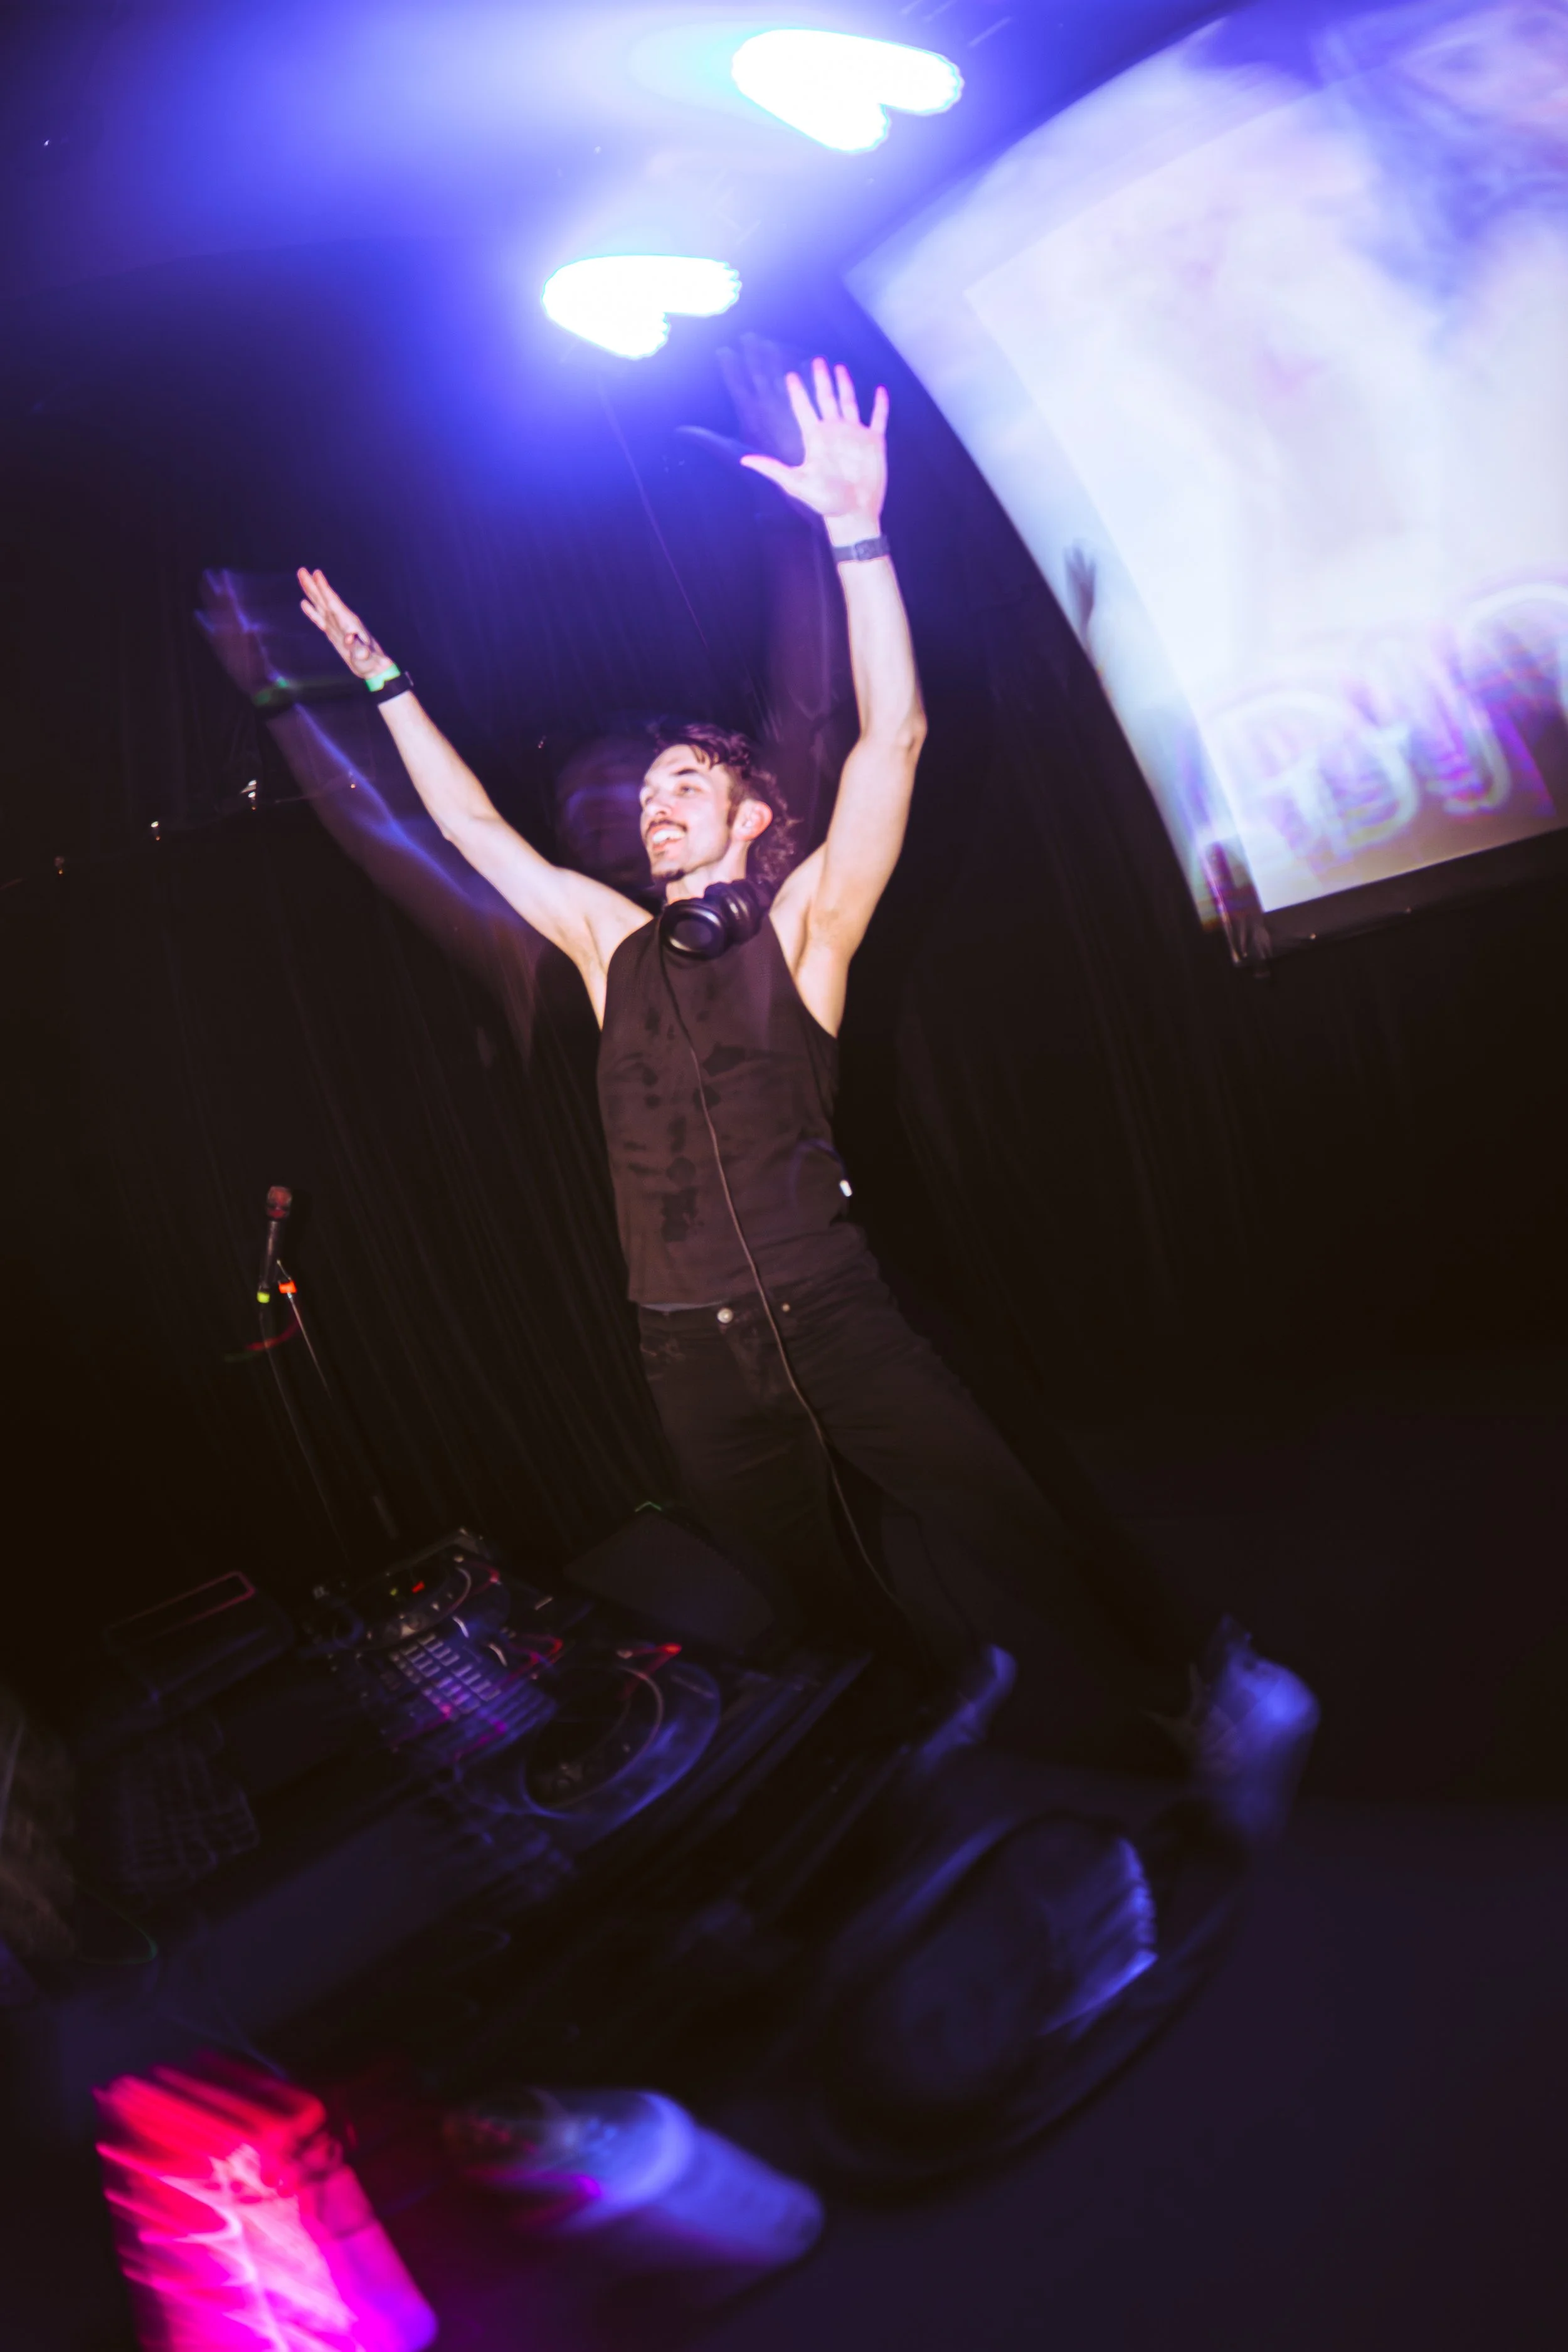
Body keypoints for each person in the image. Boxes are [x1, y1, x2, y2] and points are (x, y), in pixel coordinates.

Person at [298, 356, 1316, 1843]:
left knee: (1006, 1524)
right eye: (645, 795)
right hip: (684, 1356)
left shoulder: (806, 930)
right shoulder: (604, 946)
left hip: (833, 1312)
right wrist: (382, 680)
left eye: (687, 784)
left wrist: (857, 534)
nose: (654, 803)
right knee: (811, 1587)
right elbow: (463, 825)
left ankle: (1201, 1692)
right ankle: (925, 1710)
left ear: (756, 814)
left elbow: (890, 740)